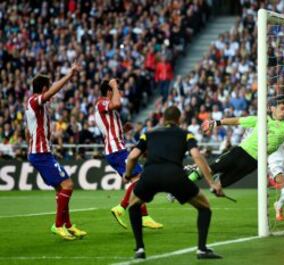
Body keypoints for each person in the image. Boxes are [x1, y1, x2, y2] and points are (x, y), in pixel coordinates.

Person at [124, 106, 224, 259]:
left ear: (163, 119)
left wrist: (128, 174)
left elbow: (132, 156)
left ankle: (139, 249)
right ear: (179, 119)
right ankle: (202, 249)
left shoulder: (148, 134)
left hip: (151, 174)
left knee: (133, 206)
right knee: (204, 207)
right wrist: (211, 183)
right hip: (174, 176)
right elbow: (197, 156)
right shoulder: (186, 135)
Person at [189, 96, 284, 195]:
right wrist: (216, 123)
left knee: (218, 187)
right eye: (282, 108)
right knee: (210, 169)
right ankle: (184, 184)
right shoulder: (260, 118)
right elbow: (237, 120)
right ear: (272, 109)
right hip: (241, 152)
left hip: (254, 163)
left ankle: (215, 182)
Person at [25, 63, 87, 240]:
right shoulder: (34, 101)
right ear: (44, 88)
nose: (51, 89)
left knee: (60, 189)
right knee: (68, 185)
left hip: (40, 153)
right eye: (49, 86)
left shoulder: (34, 106)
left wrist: (32, 143)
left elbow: (27, 130)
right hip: (41, 154)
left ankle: (67, 225)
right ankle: (58, 225)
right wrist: (69, 75)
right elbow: (52, 92)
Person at [95, 79, 162, 229]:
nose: (118, 93)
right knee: (141, 178)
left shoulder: (103, 108)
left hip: (115, 150)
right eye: (114, 90)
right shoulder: (102, 103)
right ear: (108, 92)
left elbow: (108, 131)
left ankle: (145, 217)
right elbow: (117, 103)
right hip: (116, 151)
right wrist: (114, 85)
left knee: (136, 181)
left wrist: (123, 130)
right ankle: (121, 208)